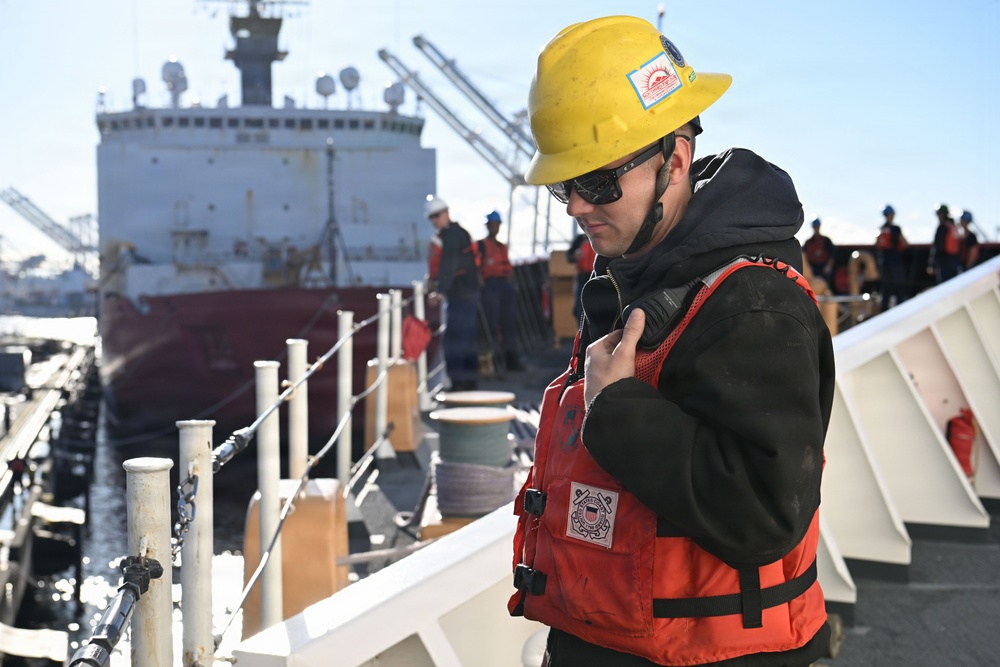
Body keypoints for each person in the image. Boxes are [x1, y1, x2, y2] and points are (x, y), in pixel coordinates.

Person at [508, 16, 834, 667]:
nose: (576, 205)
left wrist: (620, 407)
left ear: (675, 161)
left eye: (597, 181)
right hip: (610, 638)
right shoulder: (629, 274)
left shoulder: (755, 303)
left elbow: (768, 512)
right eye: (563, 185)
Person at [426, 195, 481, 391]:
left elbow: (449, 264)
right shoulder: (459, 233)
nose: (434, 221)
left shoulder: (450, 236)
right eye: (431, 217)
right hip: (467, 292)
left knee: (454, 340)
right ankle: (469, 381)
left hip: (460, 294)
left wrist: (440, 291)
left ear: (446, 213)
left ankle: (458, 382)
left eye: (436, 216)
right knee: (466, 338)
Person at [478, 210, 525, 371]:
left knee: (509, 324)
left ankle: (511, 360)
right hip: (490, 288)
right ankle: (492, 362)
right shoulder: (481, 246)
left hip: (505, 287)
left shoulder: (501, 247)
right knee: (490, 325)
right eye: (492, 225)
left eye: (497, 225)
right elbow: (477, 267)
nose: (495, 228)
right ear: (488, 226)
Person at [875, 204, 909, 310]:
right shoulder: (895, 229)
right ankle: (900, 309)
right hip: (895, 260)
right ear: (891, 215)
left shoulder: (881, 229)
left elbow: (877, 245)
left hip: (884, 261)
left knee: (886, 288)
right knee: (899, 287)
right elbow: (904, 243)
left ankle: (884, 310)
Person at [566, 224, 597, 321]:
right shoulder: (581, 238)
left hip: (598, 276)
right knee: (579, 308)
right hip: (583, 277)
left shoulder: (602, 238)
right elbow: (569, 255)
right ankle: (581, 331)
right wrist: (575, 255)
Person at [928, 203, 961, 284]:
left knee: (944, 286)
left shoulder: (942, 227)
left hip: (945, 262)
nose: (938, 216)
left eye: (938, 214)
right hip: (955, 262)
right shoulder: (953, 227)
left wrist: (932, 264)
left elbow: (938, 246)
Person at [802, 217, 835, 287]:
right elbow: (804, 257)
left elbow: (832, 255)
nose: (816, 228)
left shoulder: (826, 241)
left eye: (817, 226)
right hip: (812, 268)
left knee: (825, 282)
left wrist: (828, 266)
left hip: (824, 267)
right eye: (815, 227)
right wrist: (808, 269)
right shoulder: (808, 242)